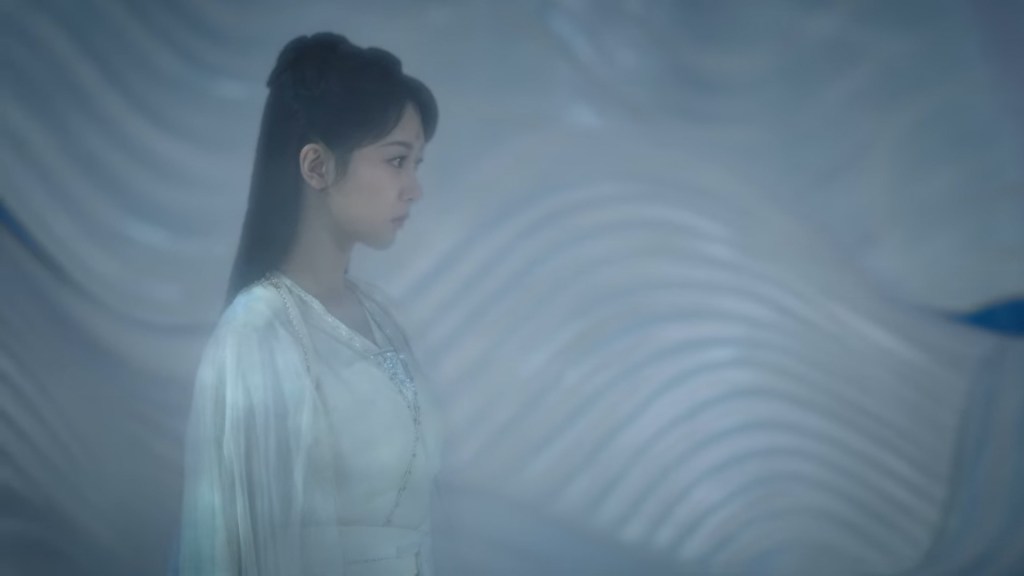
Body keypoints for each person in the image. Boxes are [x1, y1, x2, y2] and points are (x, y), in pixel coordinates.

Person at [176, 32, 443, 576]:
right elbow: (239, 550)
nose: (414, 188)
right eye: (397, 160)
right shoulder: (259, 332)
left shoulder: (383, 317)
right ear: (317, 166)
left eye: (416, 163)